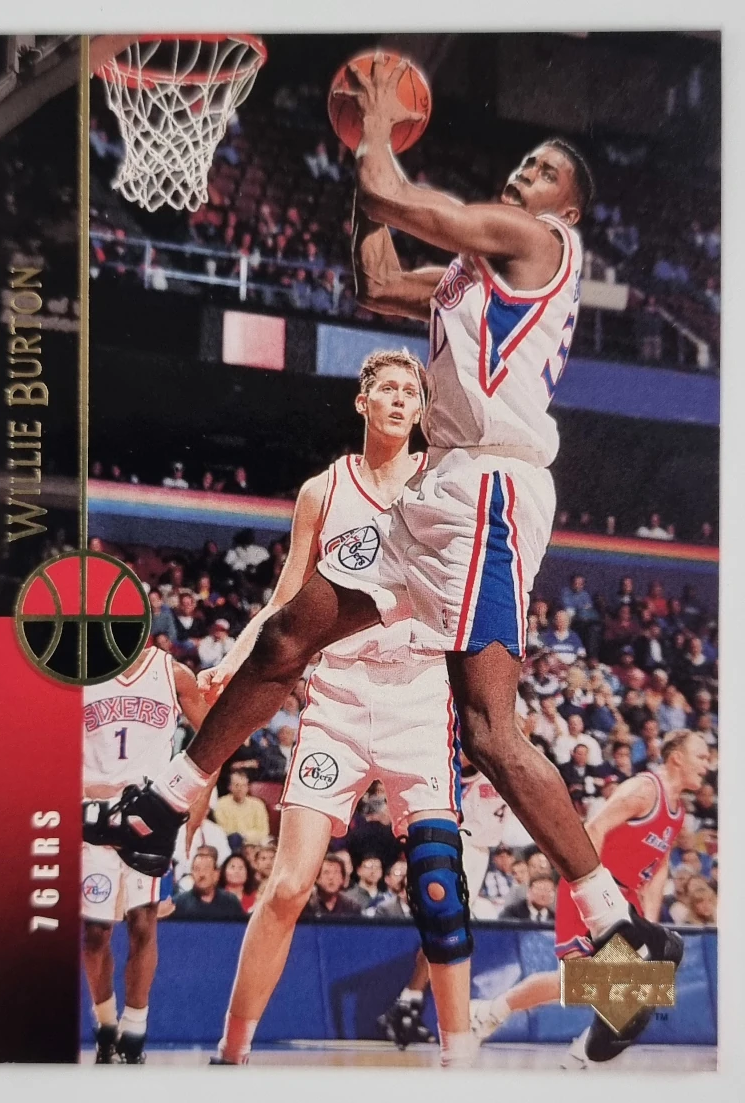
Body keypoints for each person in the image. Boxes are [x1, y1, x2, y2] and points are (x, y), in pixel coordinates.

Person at [90, 60, 675, 1056]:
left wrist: (372, 127)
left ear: (567, 207)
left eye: (543, 169)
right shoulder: (464, 282)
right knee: (290, 633)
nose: (524, 174)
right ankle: (166, 801)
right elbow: (373, 275)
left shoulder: (539, 242)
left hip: (490, 492)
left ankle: (622, 942)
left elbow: (396, 199)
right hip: (437, 499)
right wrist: (361, 170)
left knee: (490, 737)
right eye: (523, 164)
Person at [195, 350, 474, 1068]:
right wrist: (235, 658)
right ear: (362, 402)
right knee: (288, 886)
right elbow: (287, 597)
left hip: (419, 694)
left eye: (412, 392)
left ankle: (462, 1060)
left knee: (438, 885)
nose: (402, 399)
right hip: (339, 697)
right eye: (389, 389)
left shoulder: (443, 480)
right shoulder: (323, 490)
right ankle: (231, 1051)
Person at [470, 730, 709, 1065]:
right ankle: (494, 1012)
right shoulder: (644, 790)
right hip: (593, 885)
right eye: (701, 756)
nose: (707, 764)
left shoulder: (678, 811)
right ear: (677, 758)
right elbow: (593, 829)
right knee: (581, 980)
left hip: (626, 898)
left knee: (625, 990)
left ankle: (576, 1056)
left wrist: (649, 925)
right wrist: (593, 893)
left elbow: (659, 868)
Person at [81, 646, 210, 1063]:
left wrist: (196, 808)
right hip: (92, 814)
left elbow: (215, 740)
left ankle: (134, 1031)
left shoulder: (173, 673)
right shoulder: (80, 670)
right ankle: (105, 1025)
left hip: (150, 816)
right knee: (95, 933)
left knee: (143, 922)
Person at [378, 766, 508, 1048]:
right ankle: (409, 1005)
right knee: (446, 928)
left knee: (446, 932)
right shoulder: (470, 766)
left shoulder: (506, 767)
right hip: (462, 844)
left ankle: (409, 1004)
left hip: (480, 852)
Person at [171, 850, 246, 920]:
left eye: (206, 869)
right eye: (197, 869)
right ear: (192, 874)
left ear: (216, 874)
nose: (201, 874)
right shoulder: (178, 903)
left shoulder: (230, 902)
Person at [213, 771, 271, 846]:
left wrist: (245, 836)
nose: (240, 789)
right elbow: (224, 830)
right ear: (230, 787)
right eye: (237, 785)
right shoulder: (220, 804)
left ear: (248, 787)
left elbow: (264, 831)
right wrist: (242, 837)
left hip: (255, 843)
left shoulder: (258, 804)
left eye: (243, 785)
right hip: (232, 843)